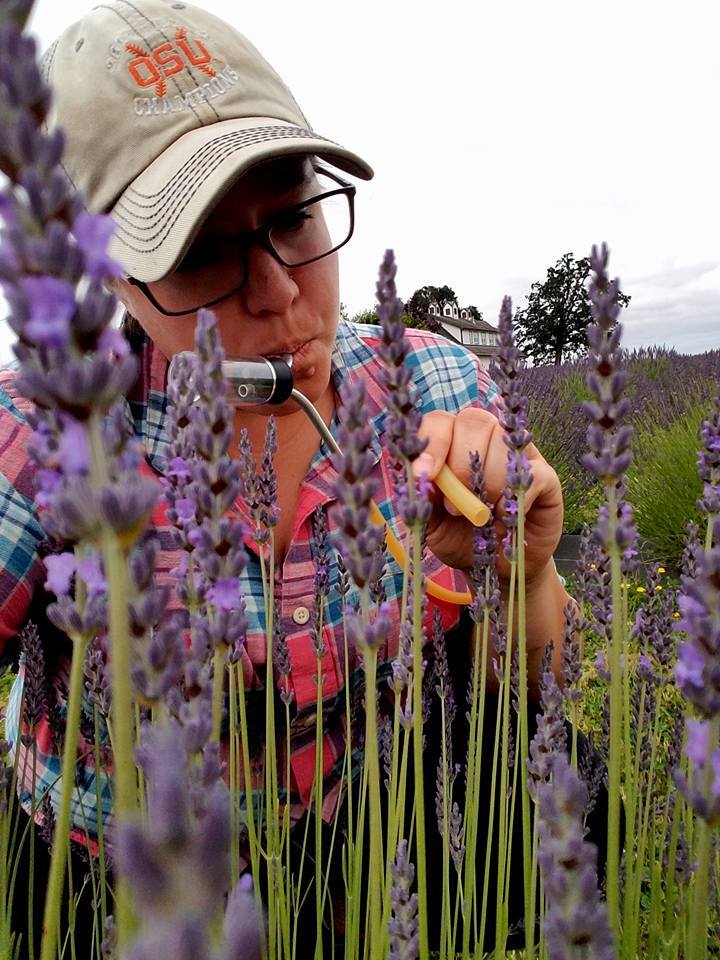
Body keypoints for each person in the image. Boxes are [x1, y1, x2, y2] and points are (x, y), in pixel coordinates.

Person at [0, 1, 602, 955]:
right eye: (202, 252)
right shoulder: (47, 426)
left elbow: (531, 703)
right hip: (112, 894)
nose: (280, 289)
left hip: (372, 872)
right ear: (106, 276)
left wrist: (522, 571)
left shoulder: (433, 384)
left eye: (294, 217)